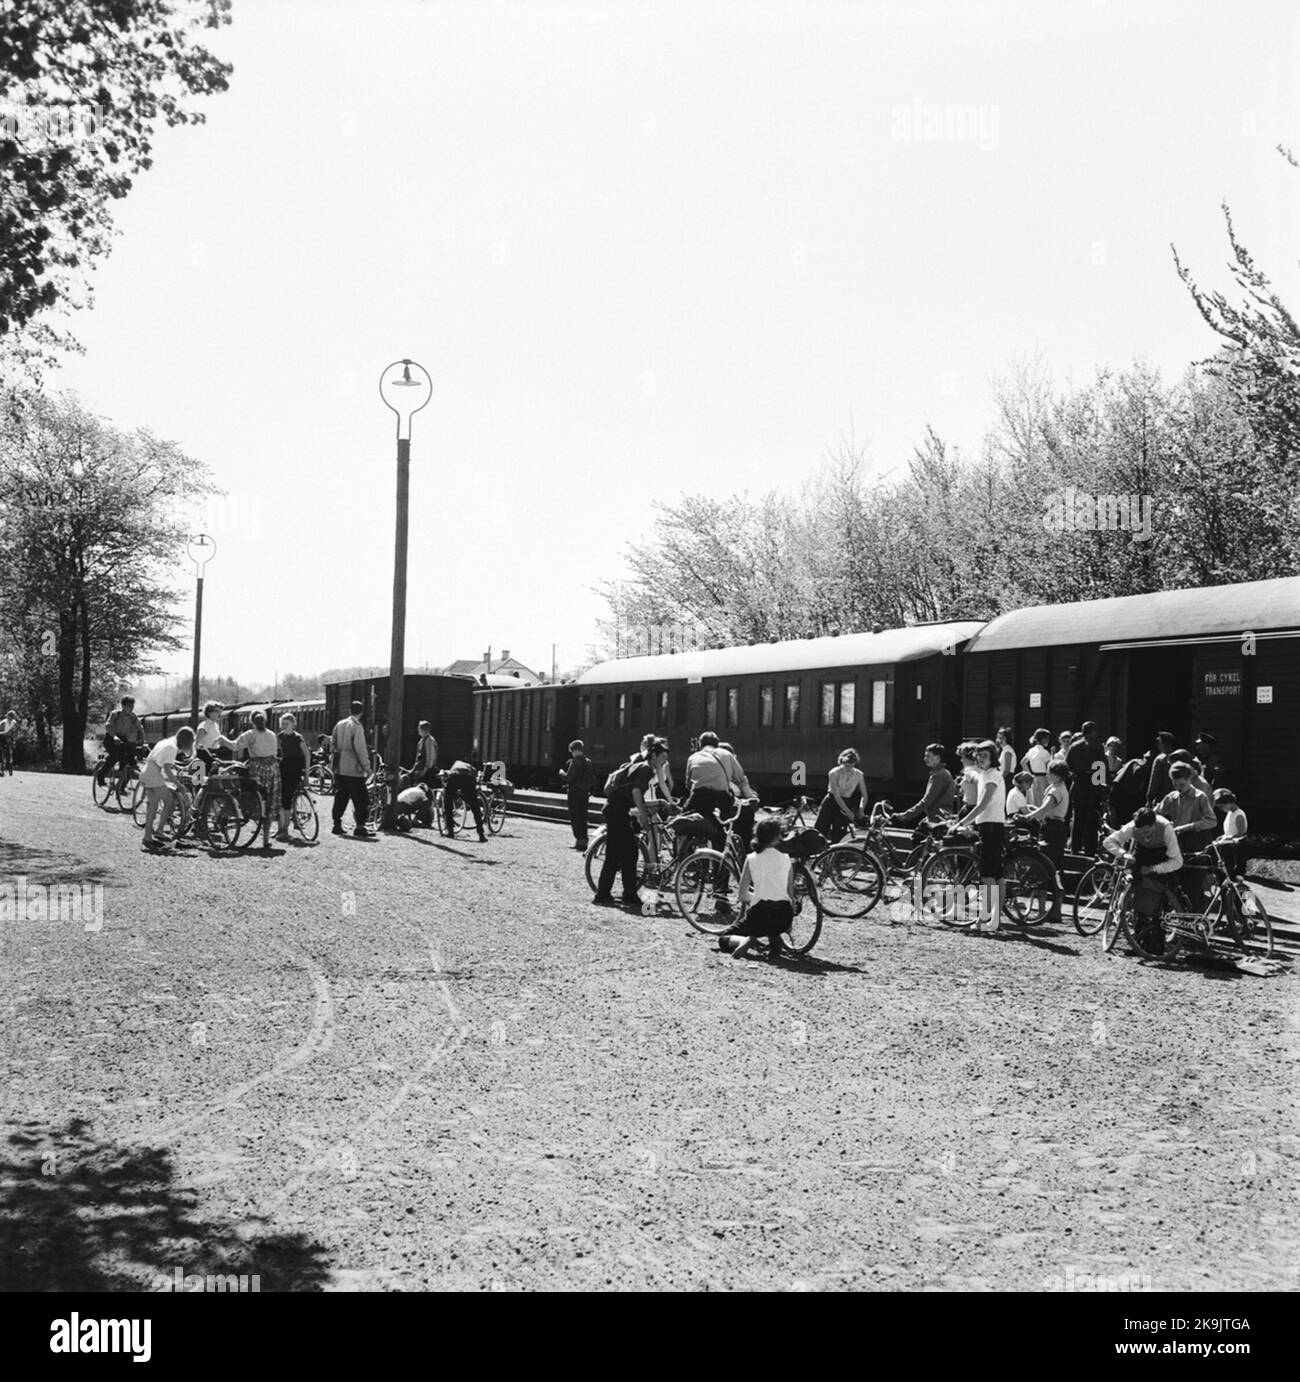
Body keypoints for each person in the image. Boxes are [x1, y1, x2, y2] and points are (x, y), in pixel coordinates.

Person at [593, 739, 666, 910]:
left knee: (626, 853)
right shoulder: (647, 769)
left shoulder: (640, 765)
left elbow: (633, 793)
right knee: (620, 853)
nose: (663, 762)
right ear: (653, 755)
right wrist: (644, 818)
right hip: (618, 812)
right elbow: (635, 792)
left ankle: (622, 894)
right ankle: (610, 894)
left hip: (616, 810)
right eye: (662, 757)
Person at [716, 817, 796, 962]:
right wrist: (789, 923)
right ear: (778, 837)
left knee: (723, 939)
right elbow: (790, 896)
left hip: (760, 916)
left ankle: (745, 940)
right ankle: (774, 937)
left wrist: (758, 897)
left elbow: (742, 895)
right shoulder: (786, 859)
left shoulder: (751, 858)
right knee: (774, 920)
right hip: (784, 916)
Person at [1103, 806, 1184, 935]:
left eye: (1146, 832)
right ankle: (1137, 933)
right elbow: (1109, 842)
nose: (1143, 834)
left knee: (1157, 900)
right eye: (1140, 832)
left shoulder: (1166, 828)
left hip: (1161, 857)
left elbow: (1177, 861)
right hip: (1141, 855)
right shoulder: (1132, 827)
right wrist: (1123, 854)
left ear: (1154, 824)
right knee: (1138, 893)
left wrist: (1155, 869)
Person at [954, 740, 1007, 933]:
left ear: (993, 757)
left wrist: (961, 823)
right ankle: (994, 919)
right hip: (992, 825)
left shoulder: (992, 775)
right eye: (979, 755)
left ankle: (985, 919)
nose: (980, 758)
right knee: (996, 874)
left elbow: (982, 805)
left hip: (991, 826)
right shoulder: (987, 774)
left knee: (988, 875)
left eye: (985, 755)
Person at [140, 726, 196, 851]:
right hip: (153, 774)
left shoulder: (166, 742)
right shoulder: (172, 747)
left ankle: (147, 837)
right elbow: (166, 769)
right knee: (169, 803)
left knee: (153, 807)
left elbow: (161, 763)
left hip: (146, 771)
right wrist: (179, 785)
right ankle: (159, 831)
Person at [683, 731, 741, 852]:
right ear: (717, 745)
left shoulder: (693, 757)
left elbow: (688, 784)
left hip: (699, 798)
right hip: (721, 800)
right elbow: (740, 779)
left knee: (685, 821)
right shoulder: (726, 754)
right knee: (720, 832)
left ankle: (684, 857)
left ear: (700, 744)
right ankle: (720, 865)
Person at [890, 744, 956, 840]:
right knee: (920, 838)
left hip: (936, 819)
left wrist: (905, 815)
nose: (925, 758)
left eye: (928, 756)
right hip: (939, 816)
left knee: (917, 839)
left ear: (937, 758)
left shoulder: (938, 775)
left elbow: (927, 801)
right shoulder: (943, 773)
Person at [234, 710, 280, 849]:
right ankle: (266, 840)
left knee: (252, 798)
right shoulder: (272, 734)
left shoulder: (250, 734)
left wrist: (222, 740)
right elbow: (275, 752)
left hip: (257, 769)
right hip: (273, 768)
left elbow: (235, 745)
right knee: (270, 801)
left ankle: (243, 816)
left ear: (251, 721)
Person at [331, 701, 373, 837]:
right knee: (361, 798)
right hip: (354, 769)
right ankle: (360, 827)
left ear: (349, 710)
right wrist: (367, 767)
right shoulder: (357, 727)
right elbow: (360, 749)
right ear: (361, 712)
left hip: (340, 767)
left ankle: (336, 824)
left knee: (340, 796)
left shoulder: (339, 724)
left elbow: (333, 745)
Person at [1066, 720, 1107, 856]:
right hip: (1093, 783)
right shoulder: (1098, 747)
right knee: (1091, 818)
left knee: (1077, 817)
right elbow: (1101, 768)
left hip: (1078, 783)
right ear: (1092, 731)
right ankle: (1090, 849)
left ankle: (1075, 848)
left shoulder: (1074, 746)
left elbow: (1067, 766)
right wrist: (1102, 787)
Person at [1024, 761, 1070, 877]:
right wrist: (1034, 809)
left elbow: (1045, 808)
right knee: (1055, 861)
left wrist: (1028, 816)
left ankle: (1046, 889)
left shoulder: (1055, 790)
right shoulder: (1060, 787)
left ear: (1057, 775)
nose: (1047, 775)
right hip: (1058, 826)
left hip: (1051, 827)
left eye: (1050, 773)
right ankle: (1056, 890)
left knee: (1046, 860)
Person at [814, 748, 867, 843]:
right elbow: (837, 796)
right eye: (846, 766)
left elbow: (864, 795)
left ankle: (836, 855)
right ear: (841, 763)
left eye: (852, 766)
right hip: (831, 801)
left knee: (839, 833)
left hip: (846, 802)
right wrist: (849, 812)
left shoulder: (859, 775)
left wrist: (861, 809)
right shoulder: (833, 773)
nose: (849, 769)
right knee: (820, 830)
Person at [559, 739, 599, 851]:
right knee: (583, 816)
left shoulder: (575, 761)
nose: (572, 754)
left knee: (575, 817)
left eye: (572, 751)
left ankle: (579, 841)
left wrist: (561, 772)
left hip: (574, 793)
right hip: (584, 793)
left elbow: (569, 778)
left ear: (575, 750)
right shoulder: (588, 761)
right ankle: (583, 841)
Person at [275, 712, 309, 842]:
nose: (284, 726)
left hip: (294, 769)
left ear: (293, 724)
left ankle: (284, 829)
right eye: (282, 724)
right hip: (282, 769)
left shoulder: (298, 738)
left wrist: (306, 773)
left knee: (286, 798)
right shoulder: (280, 737)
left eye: (286, 723)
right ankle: (281, 827)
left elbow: (306, 754)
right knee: (281, 798)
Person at [98, 696, 144, 787]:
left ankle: (121, 787)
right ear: (123, 705)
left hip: (123, 739)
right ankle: (101, 775)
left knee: (130, 762)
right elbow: (108, 726)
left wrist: (142, 738)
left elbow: (140, 728)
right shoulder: (115, 714)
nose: (131, 708)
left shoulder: (133, 717)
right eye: (129, 705)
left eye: (132, 706)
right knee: (115, 756)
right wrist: (115, 737)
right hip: (111, 738)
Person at [442, 759, 487, 841]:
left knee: (448, 803)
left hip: (454, 777)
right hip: (467, 779)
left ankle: (450, 830)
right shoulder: (471, 768)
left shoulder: (455, 765)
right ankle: (481, 834)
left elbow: (448, 776)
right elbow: (474, 781)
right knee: (475, 807)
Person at [1212, 788, 1248, 877]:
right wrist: (1223, 836)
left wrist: (1228, 837)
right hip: (1228, 845)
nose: (1221, 809)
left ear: (1229, 802)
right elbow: (1229, 830)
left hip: (1236, 847)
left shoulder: (1239, 814)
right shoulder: (1230, 813)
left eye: (1222, 806)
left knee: (1233, 873)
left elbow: (1240, 833)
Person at [194, 701, 237, 775]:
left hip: (214, 754)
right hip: (204, 755)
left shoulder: (216, 725)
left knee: (214, 778)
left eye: (220, 712)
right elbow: (197, 743)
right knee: (204, 779)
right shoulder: (204, 725)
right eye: (216, 712)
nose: (219, 714)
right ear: (209, 713)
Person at [1145, 731, 1179, 807]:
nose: (1158, 744)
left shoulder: (1160, 759)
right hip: (1176, 798)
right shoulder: (1178, 757)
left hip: (1162, 800)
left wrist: (1150, 798)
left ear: (1164, 743)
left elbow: (1155, 781)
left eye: (1160, 742)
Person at [1020, 729, 1052, 807]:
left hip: (1033, 779)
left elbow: (1023, 763)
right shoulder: (1045, 753)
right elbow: (1049, 768)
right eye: (1047, 738)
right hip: (1043, 779)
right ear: (1043, 739)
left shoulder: (1031, 751)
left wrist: (1030, 774)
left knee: (1033, 800)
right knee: (1043, 801)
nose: (1048, 740)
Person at [412, 721, 439, 787]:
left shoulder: (430, 740)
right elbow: (418, 758)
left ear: (423, 729)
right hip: (421, 771)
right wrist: (413, 770)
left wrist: (424, 771)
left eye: (419, 728)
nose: (418, 729)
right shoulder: (421, 741)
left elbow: (430, 757)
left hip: (428, 772)